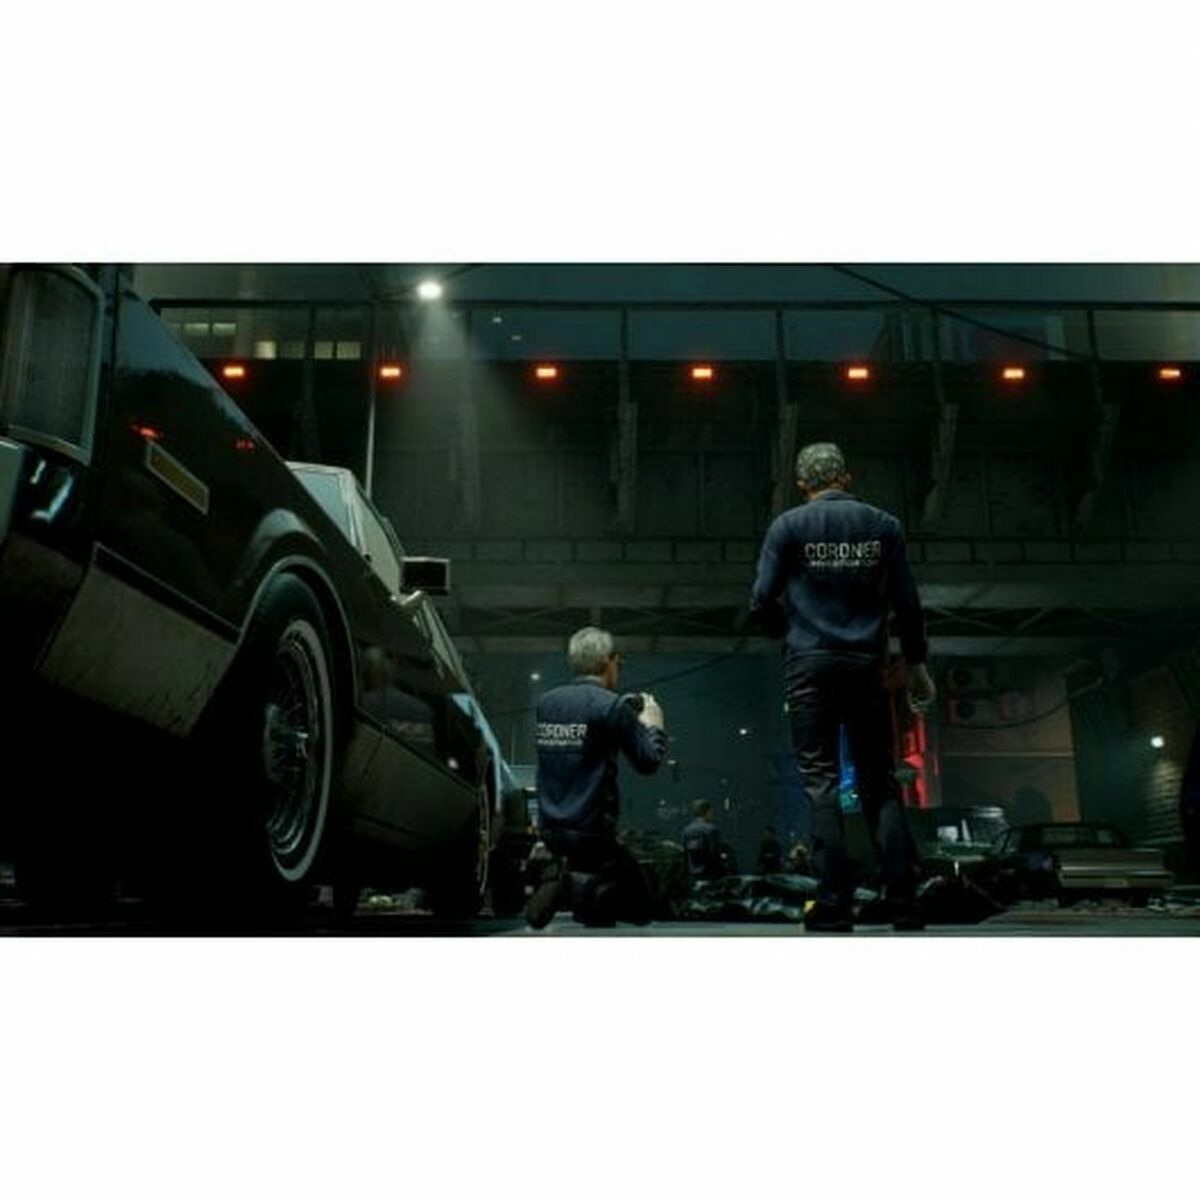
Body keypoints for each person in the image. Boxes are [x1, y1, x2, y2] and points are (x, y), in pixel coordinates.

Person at [749, 442, 936, 932]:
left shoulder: (787, 527)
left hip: (808, 665)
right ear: (846, 478)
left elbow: (761, 600)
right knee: (879, 780)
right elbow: (908, 603)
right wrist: (916, 663)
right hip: (866, 665)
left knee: (821, 782)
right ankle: (903, 902)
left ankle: (833, 903)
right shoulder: (884, 525)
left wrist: (788, 634)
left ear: (801, 485)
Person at [525, 626, 669, 928]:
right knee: (643, 908)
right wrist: (653, 725)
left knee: (599, 897)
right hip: (593, 836)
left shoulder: (546, 704)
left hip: (551, 833)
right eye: (619, 662)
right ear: (608, 660)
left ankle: (571, 884)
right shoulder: (612, 707)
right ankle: (573, 887)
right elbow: (648, 762)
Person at [681, 800, 727, 882]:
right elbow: (714, 855)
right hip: (710, 877)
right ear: (708, 812)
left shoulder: (686, 831)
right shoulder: (711, 830)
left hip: (693, 877)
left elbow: (685, 856)